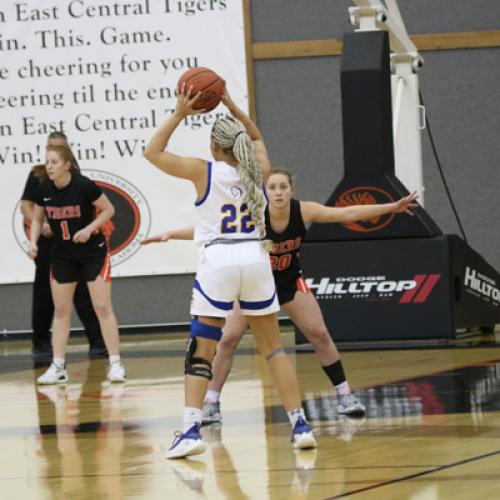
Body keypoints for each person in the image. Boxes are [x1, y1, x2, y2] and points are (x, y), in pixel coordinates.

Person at [142, 169, 419, 425]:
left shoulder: (304, 211)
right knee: (227, 339)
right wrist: (169, 234)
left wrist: (392, 207)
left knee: (319, 334)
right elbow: (206, 229)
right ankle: (212, 403)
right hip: (253, 285)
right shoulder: (252, 213)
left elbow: (346, 213)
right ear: (265, 190)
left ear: (291, 189)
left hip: (288, 282)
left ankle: (345, 395)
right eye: (272, 187)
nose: (277, 192)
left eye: (282, 187)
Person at [143, 86, 317, 459]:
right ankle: (300, 424)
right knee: (273, 349)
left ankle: (190, 430)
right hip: (256, 260)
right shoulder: (260, 171)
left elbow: (151, 152)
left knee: (201, 351)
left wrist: (178, 113)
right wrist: (232, 105)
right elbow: (255, 136)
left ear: (214, 147)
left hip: (219, 261)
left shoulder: (203, 171)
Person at [28, 145, 126, 384]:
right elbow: (37, 219)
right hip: (62, 254)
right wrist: (33, 242)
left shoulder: (84, 185)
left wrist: (89, 228)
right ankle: (58, 366)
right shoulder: (44, 189)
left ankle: (115, 364)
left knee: (102, 307)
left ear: (66, 164)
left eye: (54, 162)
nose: (49, 166)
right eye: (47, 162)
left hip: (92, 252)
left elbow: (109, 210)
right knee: (61, 311)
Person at [21, 132, 108, 359]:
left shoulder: (76, 178)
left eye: (58, 150)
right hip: (50, 242)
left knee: (83, 293)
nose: (52, 157)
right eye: (50, 147)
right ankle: (40, 343)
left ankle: (97, 341)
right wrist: (40, 226)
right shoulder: (38, 176)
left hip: (75, 243)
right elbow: (26, 207)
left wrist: (88, 229)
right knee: (44, 293)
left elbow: (102, 208)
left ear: (67, 154)